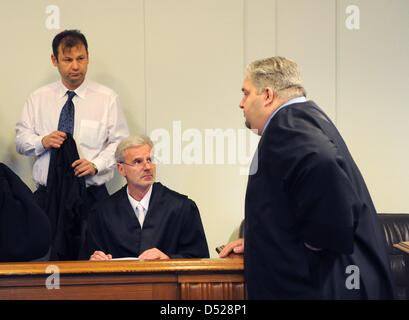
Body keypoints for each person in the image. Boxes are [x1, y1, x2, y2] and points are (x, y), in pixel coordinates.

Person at [219, 56, 395, 299]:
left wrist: (316, 243)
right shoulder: (303, 116)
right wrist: (261, 243)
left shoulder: (286, 124)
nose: (241, 103)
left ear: (268, 95)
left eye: (246, 93)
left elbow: (323, 161)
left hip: (323, 286)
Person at [15, 29, 129, 259]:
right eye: (67, 60)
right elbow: (20, 141)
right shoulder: (38, 99)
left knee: (94, 265)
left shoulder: (106, 98)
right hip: (48, 200)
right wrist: (42, 141)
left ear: (88, 57)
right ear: (54, 60)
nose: (75, 66)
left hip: (91, 198)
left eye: (81, 58)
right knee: (44, 262)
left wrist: (96, 164)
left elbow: (120, 144)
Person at [81, 135, 209, 260]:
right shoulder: (102, 212)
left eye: (150, 160)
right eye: (138, 162)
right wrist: (95, 261)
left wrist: (169, 259)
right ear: (121, 169)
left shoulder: (182, 207)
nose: (148, 167)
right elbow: (86, 259)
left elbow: (200, 259)